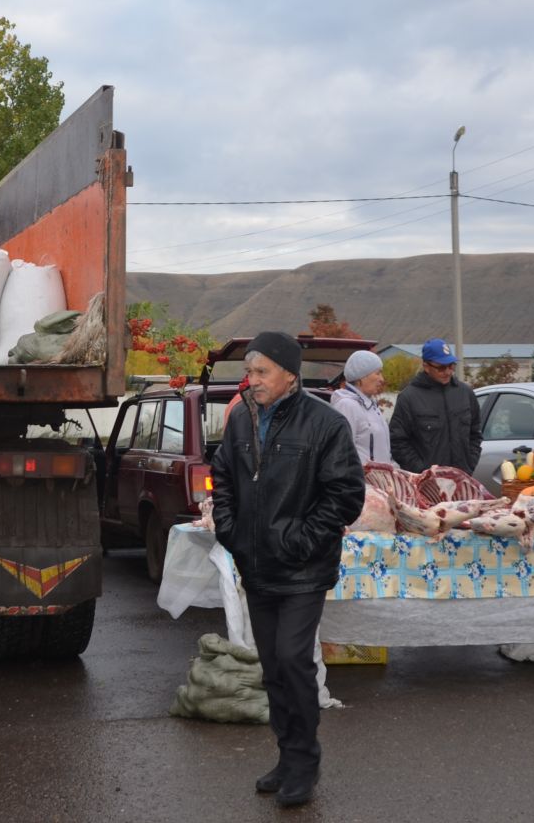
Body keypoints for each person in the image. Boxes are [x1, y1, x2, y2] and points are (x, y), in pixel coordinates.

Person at [209, 331, 365, 810]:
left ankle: (304, 762)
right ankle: (286, 755)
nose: (250, 380)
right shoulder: (240, 421)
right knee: (273, 665)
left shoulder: (326, 424)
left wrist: (297, 540)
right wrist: (231, 533)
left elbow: (345, 496)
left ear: (289, 376)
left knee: (294, 660)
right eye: (249, 372)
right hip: (255, 566)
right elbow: (224, 480)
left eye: (261, 372)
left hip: (302, 569)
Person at [389, 339, 482, 474]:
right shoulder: (409, 398)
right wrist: (423, 472)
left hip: (462, 481)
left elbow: (475, 434)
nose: (448, 372)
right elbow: (397, 442)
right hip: (426, 486)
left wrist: (468, 466)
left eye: (451, 366)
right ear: (426, 367)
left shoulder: (465, 393)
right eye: (441, 368)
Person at [330, 350, 391, 465]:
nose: (382, 379)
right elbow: (341, 454)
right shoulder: (347, 405)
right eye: (377, 373)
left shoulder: (372, 406)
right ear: (361, 377)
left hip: (378, 482)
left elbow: (384, 453)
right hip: (360, 481)